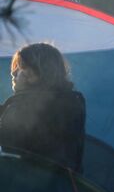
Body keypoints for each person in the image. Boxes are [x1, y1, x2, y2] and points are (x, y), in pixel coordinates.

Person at [0, 43, 85, 172]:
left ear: (37, 74)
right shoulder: (69, 102)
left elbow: (8, 139)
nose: (13, 72)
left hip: (23, 184)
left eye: (21, 67)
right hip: (64, 187)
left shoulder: (27, 107)